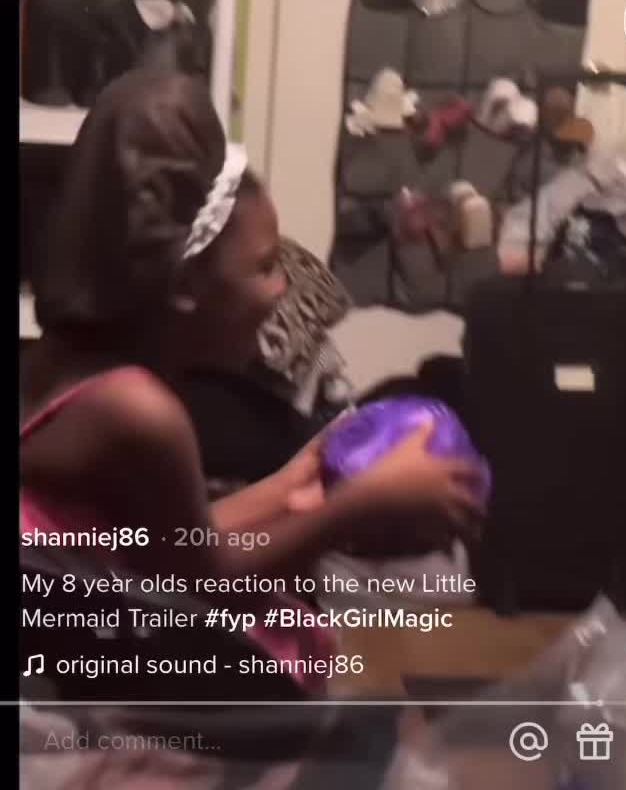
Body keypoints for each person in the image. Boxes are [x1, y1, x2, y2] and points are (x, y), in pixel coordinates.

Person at [21, 71, 482, 650]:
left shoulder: (76, 367)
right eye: (265, 267)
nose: (283, 287)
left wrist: (301, 473)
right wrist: (357, 508)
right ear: (185, 285)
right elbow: (204, 582)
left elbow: (182, 542)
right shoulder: (138, 412)